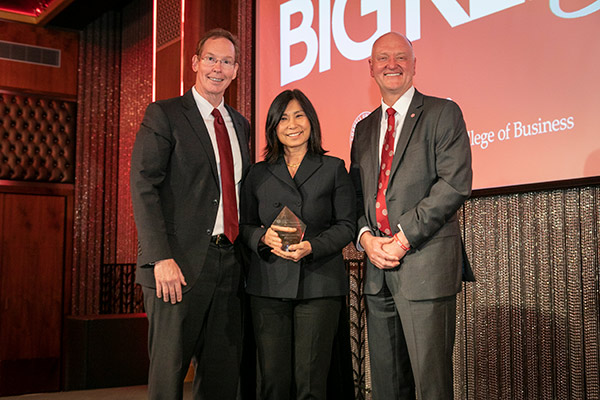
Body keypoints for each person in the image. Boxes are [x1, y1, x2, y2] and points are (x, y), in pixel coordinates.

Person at [350, 32, 473, 399]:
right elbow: (357, 195)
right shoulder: (364, 128)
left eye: (401, 57)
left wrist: (402, 239)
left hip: (425, 268)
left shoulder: (442, 112)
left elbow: (454, 184)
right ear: (370, 68)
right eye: (383, 58)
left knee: (430, 386)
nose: (392, 64)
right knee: (387, 387)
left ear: (414, 65)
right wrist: (366, 239)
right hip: (377, 274)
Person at [130, 28, 250, 400]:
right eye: (211, 59)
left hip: (229, 266)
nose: (218, 67)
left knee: (221, 378)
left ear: (235, 71)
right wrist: (160, 257)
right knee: (169, 379)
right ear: (196, 63)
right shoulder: (164, 114)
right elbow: (143, 185)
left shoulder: (240, 124)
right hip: (175, 268)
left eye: (226, 61)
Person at [239, 89, 356, 400]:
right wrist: (261, 237)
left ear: (311, 121)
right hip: (267, 287)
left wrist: (313, 246)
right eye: (283, 118)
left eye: (299, 115)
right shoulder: (257, 173)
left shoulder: (333, 168)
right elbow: (244, 225)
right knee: (273, 383)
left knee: (310, 384)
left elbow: (347, 225)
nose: (292, 124)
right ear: (273, 127)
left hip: (318, 286)